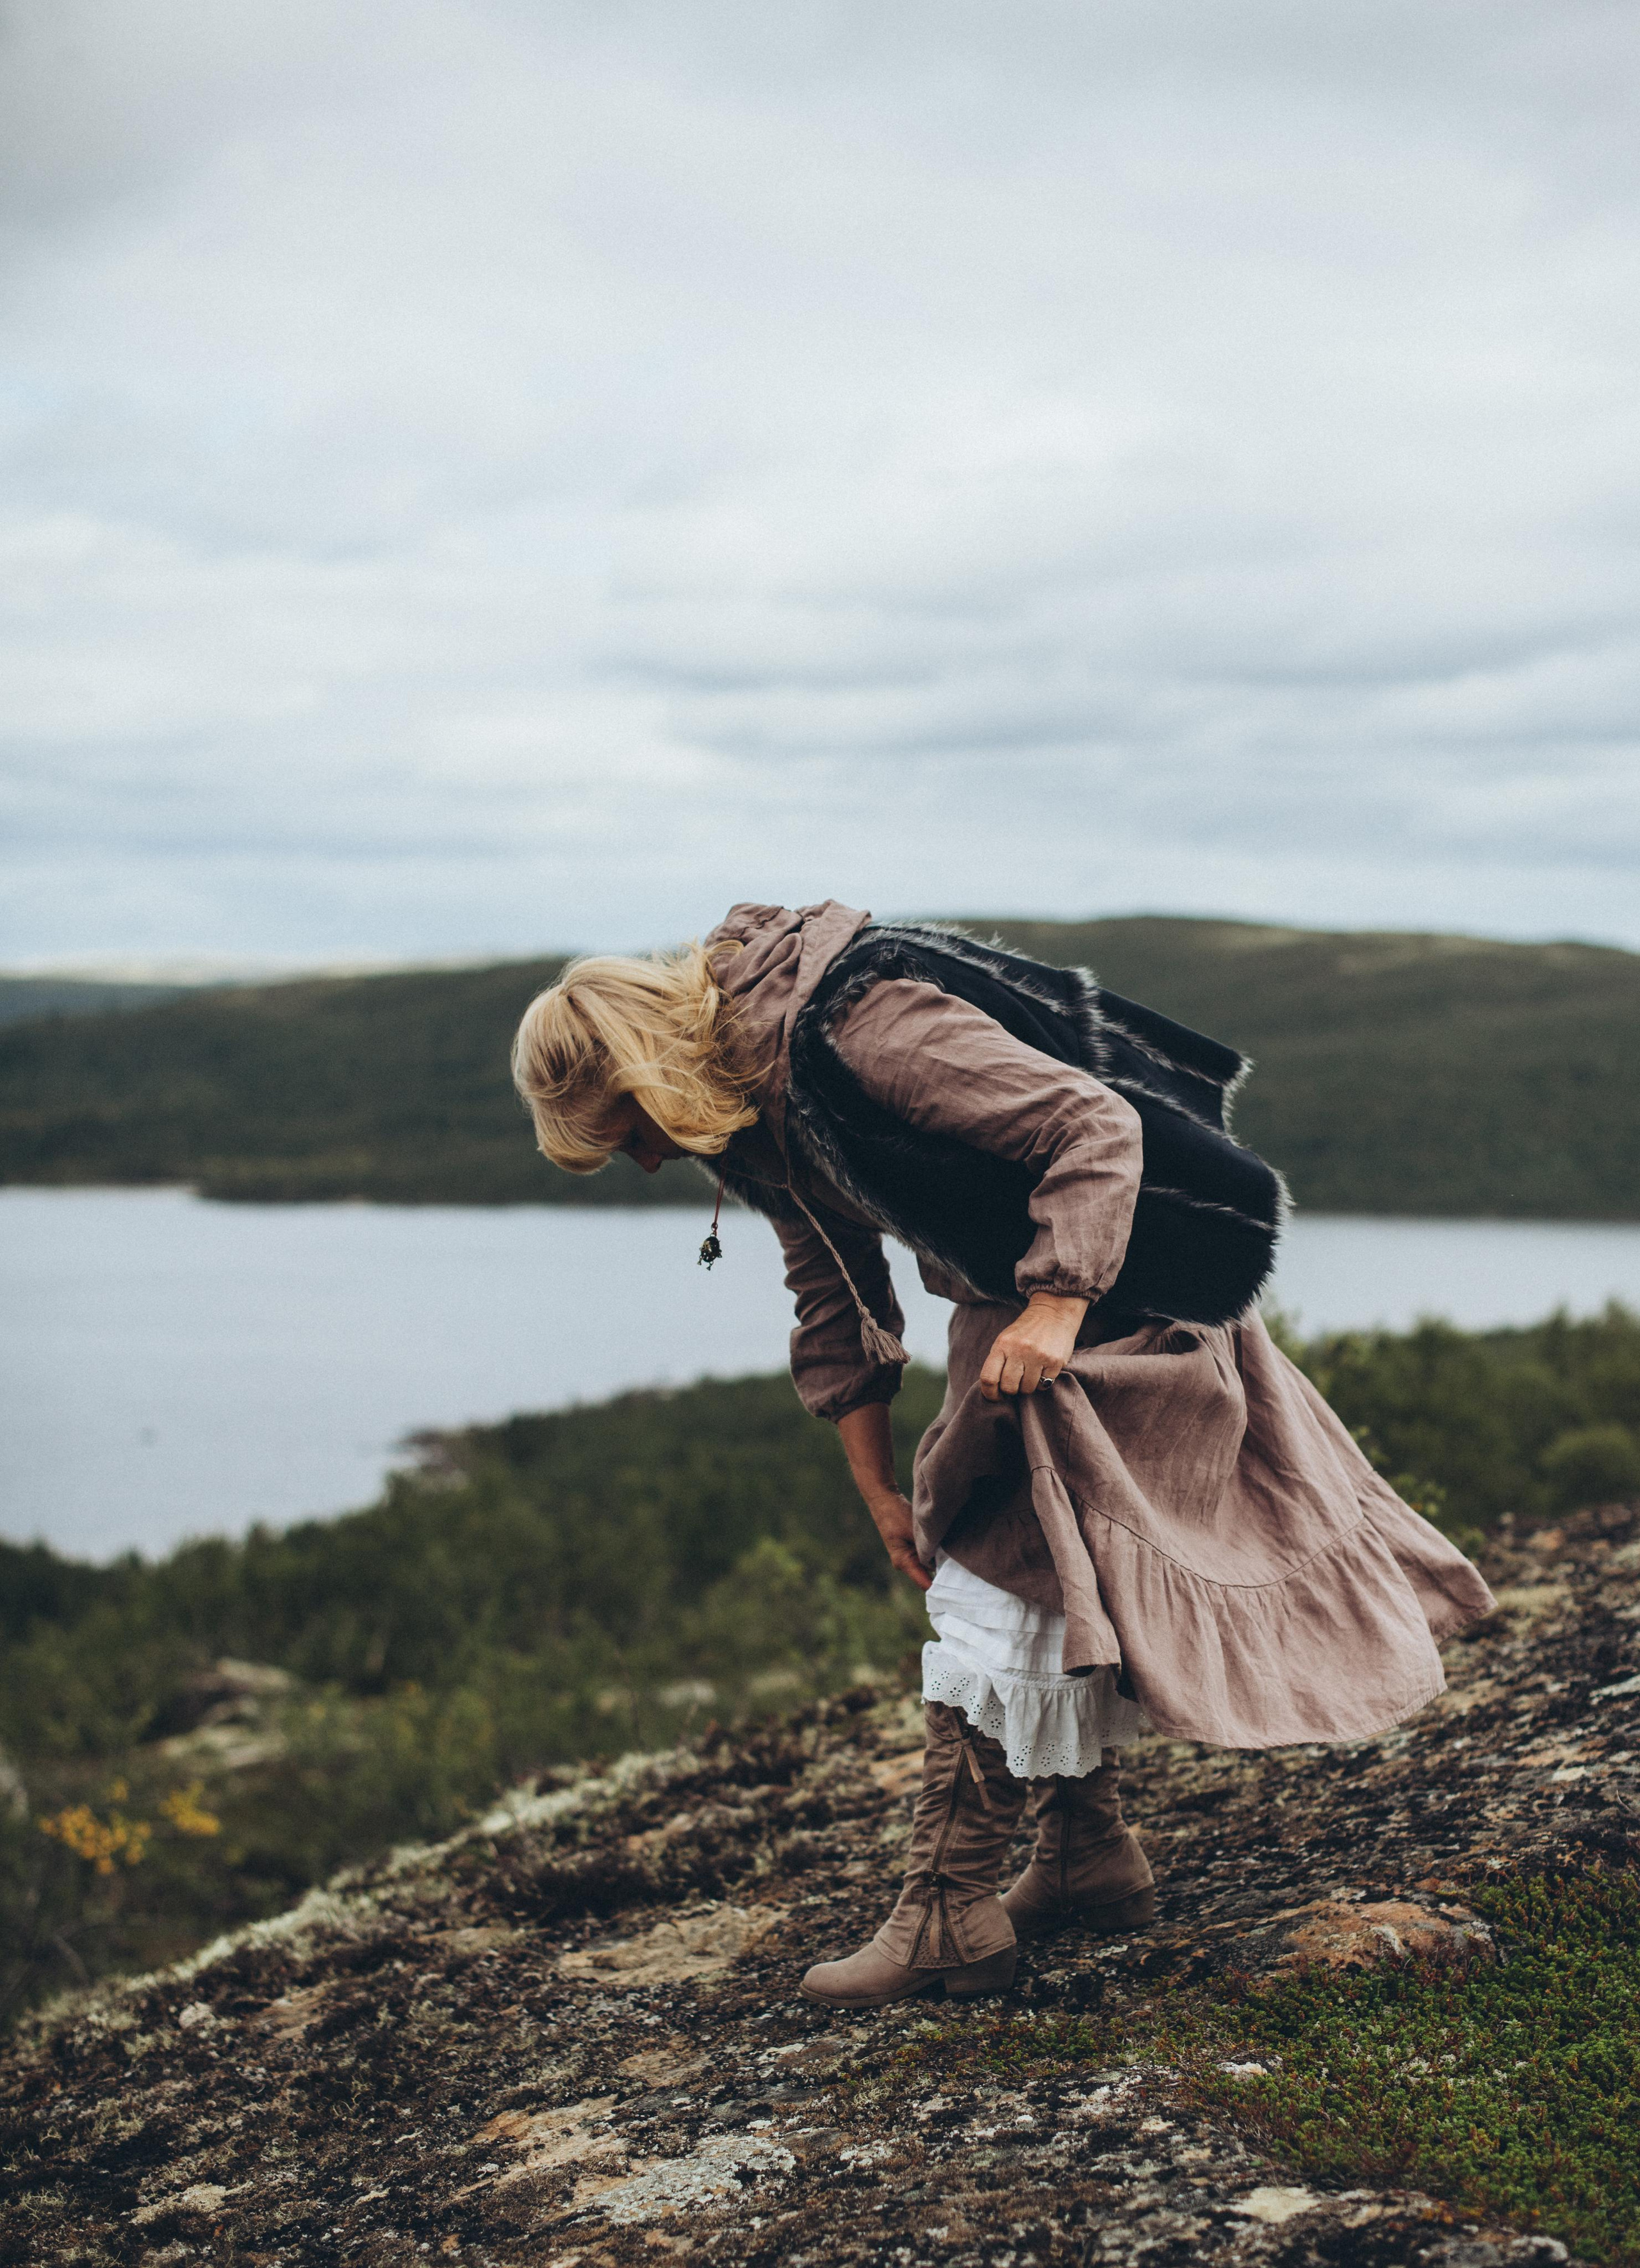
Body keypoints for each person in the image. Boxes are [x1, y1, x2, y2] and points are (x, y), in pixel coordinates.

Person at [512, 900, 1496, 2011]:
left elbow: (1095, 1129)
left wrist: (1058, 1305)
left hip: (1126, 1282)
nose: (643, 1161)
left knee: (989, 1576)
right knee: (1033, 1566)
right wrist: (877, 1483)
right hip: (1030, 1300)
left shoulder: (858, 1025)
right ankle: (1086, 1856)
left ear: (650, 1070)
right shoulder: (746, 1110)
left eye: (628, 1131)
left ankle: (947, 1911)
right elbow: (835, 1290)